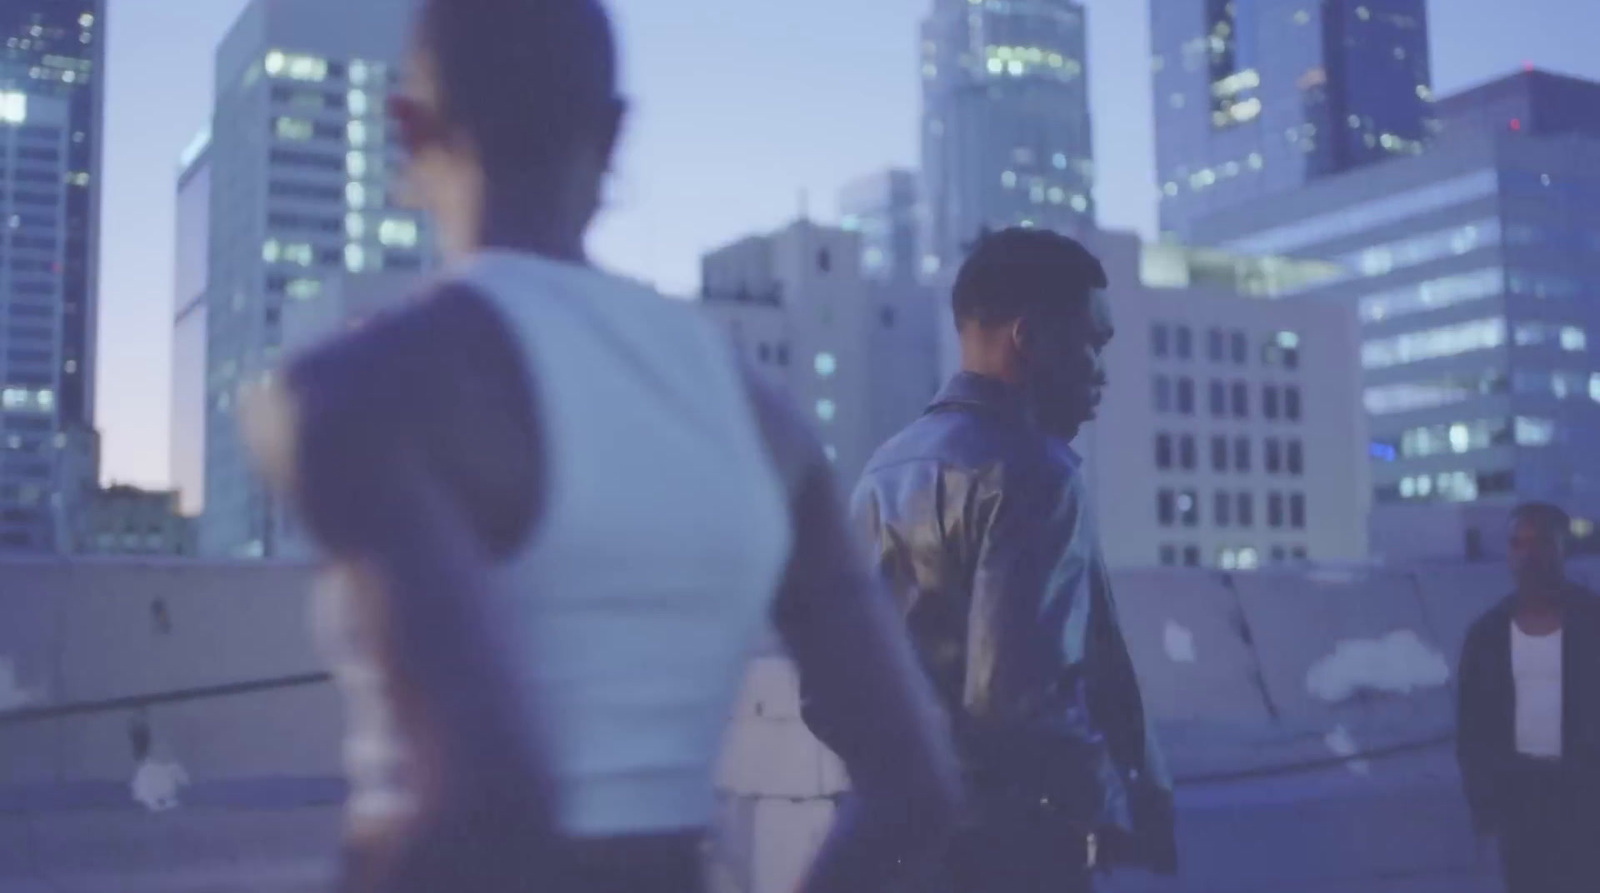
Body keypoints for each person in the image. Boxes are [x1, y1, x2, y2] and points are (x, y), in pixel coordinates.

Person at [240, 1, 961, 891]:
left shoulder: (360, 386)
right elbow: (916, 786)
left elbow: (477, 805)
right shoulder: (758, 412)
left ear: (408, 123)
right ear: (615, 130)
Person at [847, 228, 1177, 893]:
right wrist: (1114, 804)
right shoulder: (1036, 472)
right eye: (1092, 342)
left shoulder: (880, 472)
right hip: (1020, 848)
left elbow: (831, 691)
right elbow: (1017, 700)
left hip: (906, 843)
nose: (1102, 370)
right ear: (1028, 339)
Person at [1457, 502, 1600, 893]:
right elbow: (1472, 727)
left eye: (1539, 543)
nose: (1528, 555)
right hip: (1523, 808)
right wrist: (1484, 805)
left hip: (1585, 802)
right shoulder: (1487, 635)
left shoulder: (1591, 622)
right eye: (1518, 544)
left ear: (1562, 548)